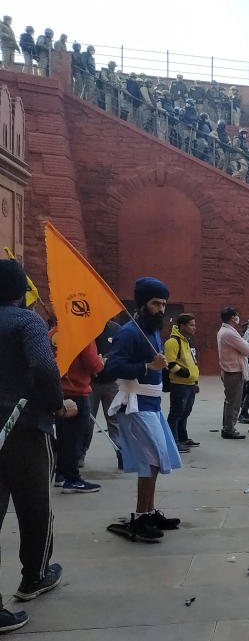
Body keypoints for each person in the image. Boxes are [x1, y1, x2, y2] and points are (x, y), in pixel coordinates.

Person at [0, 260, 70, 632]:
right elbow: (44, 366)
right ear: (20, 292)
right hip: (24, 429)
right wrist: (57, 403)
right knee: (35, 508)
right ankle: (33, 577)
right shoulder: (28, 322)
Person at [103, 277, 183, 541]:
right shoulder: (129, 332)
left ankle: (148, 512)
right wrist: (147, 367)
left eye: (164, 304)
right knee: (150, 462)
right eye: (155, 303)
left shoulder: (151, 331)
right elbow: (112, 367)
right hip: (135, 406)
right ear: (142, 304)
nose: (161, 309)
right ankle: (139, 517)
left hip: (152, 405)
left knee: (157, 461)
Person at [55, 339, 103, 493]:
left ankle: (61, 475)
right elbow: (93, 364)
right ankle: (72, 479)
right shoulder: (82, 337)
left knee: (63, 437)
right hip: (77, 392)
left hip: (59, 391)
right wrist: (101, 362)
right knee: (76, 438)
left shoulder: (53, 333)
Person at [164, 313, 200, 453]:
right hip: (179, 384)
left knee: (185, 413)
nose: (194, 328)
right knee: (176, 413)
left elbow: (192, 362)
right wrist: (184, 373)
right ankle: (172, 441)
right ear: (182, 326)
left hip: (190, 384)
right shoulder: (173, 342)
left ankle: (182, 438)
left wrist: (194, 380)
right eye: (191, 325)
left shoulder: (187, 341)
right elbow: (170, 363)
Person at [88, 320, 121, 467]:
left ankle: (122, 454)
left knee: (115, 421)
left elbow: (123, 352)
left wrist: (109, 360)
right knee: (87, 421)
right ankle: (80, 454)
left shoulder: (116, 329)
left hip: (111, 383)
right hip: (90, 384)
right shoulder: (85, 329)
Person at [217, 307, 249, 440]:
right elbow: (247, 350)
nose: (238, 317)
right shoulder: (229, 333)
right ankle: (229, 429)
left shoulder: (225, 331)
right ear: (232, 317)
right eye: (236, 315)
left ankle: (228, 427)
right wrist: (244, 342)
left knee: (230, 401)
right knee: (234, 402)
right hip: (233, 371)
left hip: (230, 369)